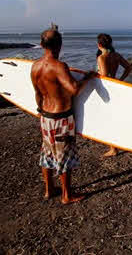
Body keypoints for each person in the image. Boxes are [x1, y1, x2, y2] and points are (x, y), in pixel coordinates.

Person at [31, 26, 94, 204]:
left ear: (42, 45)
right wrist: (87, 78)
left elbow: (37, 93)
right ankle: (67, 195)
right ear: (59, 45)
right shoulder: (59, 66)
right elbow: (74, 90)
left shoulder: (35, 66)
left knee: (47, 153)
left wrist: (39, 110)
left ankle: (49, 189)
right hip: (61, 118)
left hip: (45, 116)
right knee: (64, 156)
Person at [96, 33, 132, 157]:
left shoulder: (102, 57)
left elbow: (104, 75)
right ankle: (116, 145)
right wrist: (120, 80)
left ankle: (113, 149)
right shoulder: (116, 55)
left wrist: (94, 75)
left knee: (107, 119)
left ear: (99, 44)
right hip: (115, 87)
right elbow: (128, 67)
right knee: (114, 117)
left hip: (106, 90)